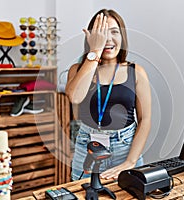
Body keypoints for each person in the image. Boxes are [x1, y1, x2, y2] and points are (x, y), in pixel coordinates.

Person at [65, 9, 151, 181]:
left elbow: (145, 119)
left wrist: (130, 161)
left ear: (122, 37)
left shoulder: (136, 72)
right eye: (102, 34)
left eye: (114, 32)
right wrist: (95, 52)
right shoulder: (78, 70)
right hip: (86, 148)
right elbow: (74, 97)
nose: (108, 39)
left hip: (124, 148)